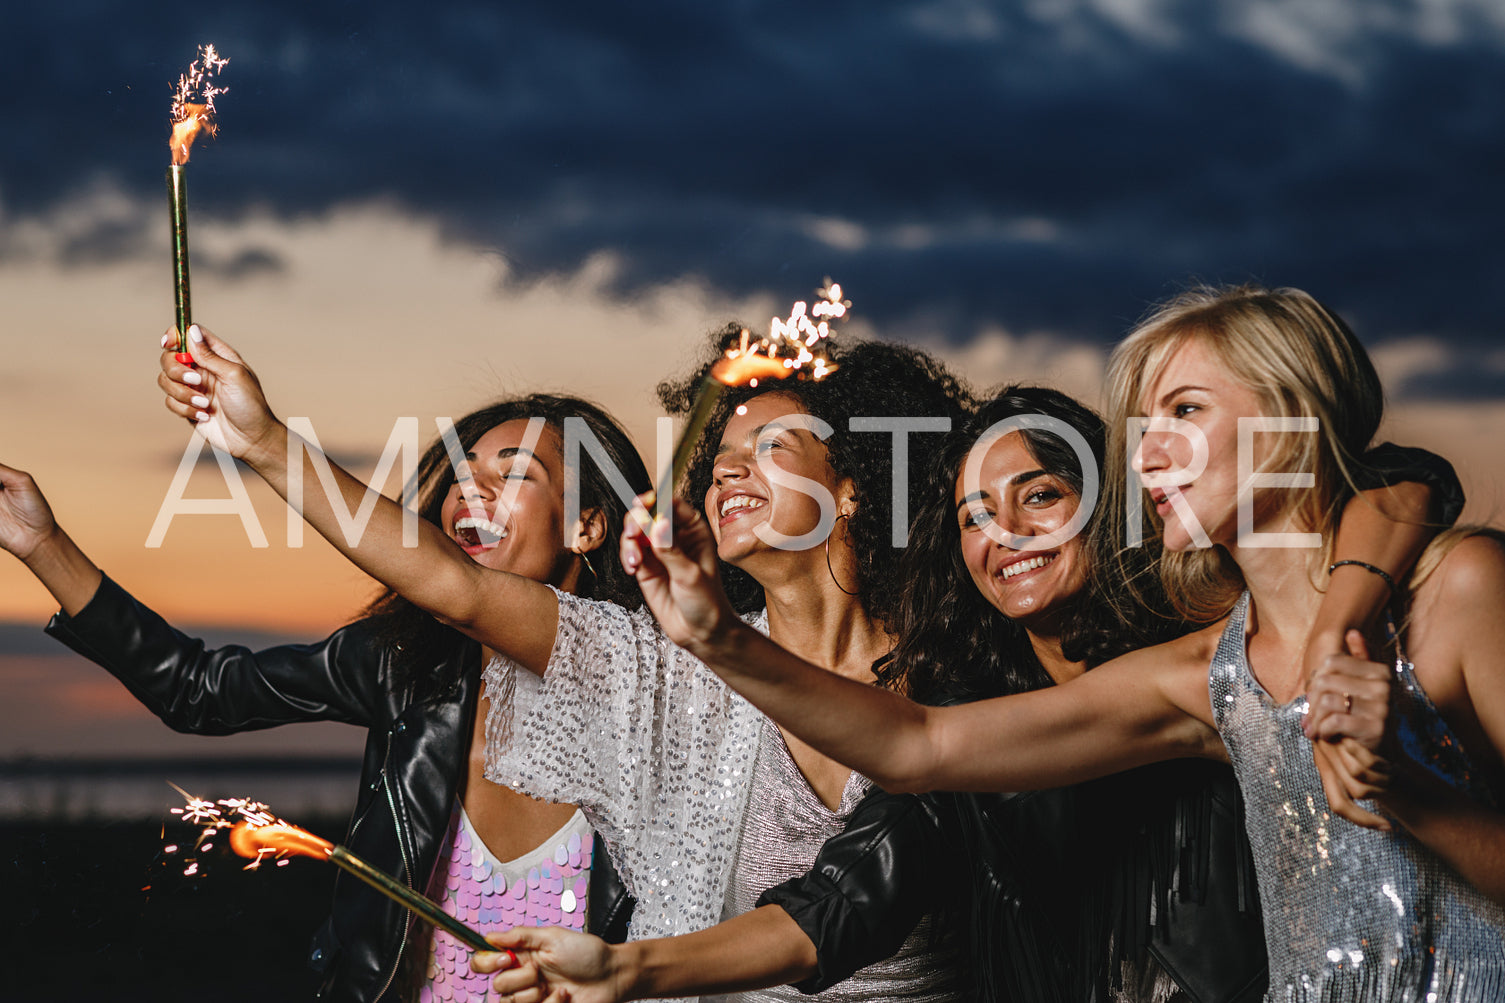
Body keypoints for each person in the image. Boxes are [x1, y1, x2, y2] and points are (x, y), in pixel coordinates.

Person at [613, 286, 1505, 1001]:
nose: (1149, 452)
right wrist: (715, 636)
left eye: (1184, 409)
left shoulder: (1453, 588)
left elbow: (1402, 478)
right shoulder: (1201, 674)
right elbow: (918, 746)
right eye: (1142, 429)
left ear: (1291, 412)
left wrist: (1408, 791)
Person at [156, 321, 976, 1002]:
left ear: (857, 484)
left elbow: (827, 917)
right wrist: (262, 441)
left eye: (769, 445)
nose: (726, 465)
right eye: (721, 450)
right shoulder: (669, 667)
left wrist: (624, 968)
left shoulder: (949, 695)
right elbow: (457, 586)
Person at [0, 352, 651, 1002]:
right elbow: (196, 689)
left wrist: (261, 438)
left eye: (514, 474)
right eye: (459, 473)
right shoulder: (405, 663)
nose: (468, 490)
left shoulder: (650, 684)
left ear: (587, 525)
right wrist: (43, 543)